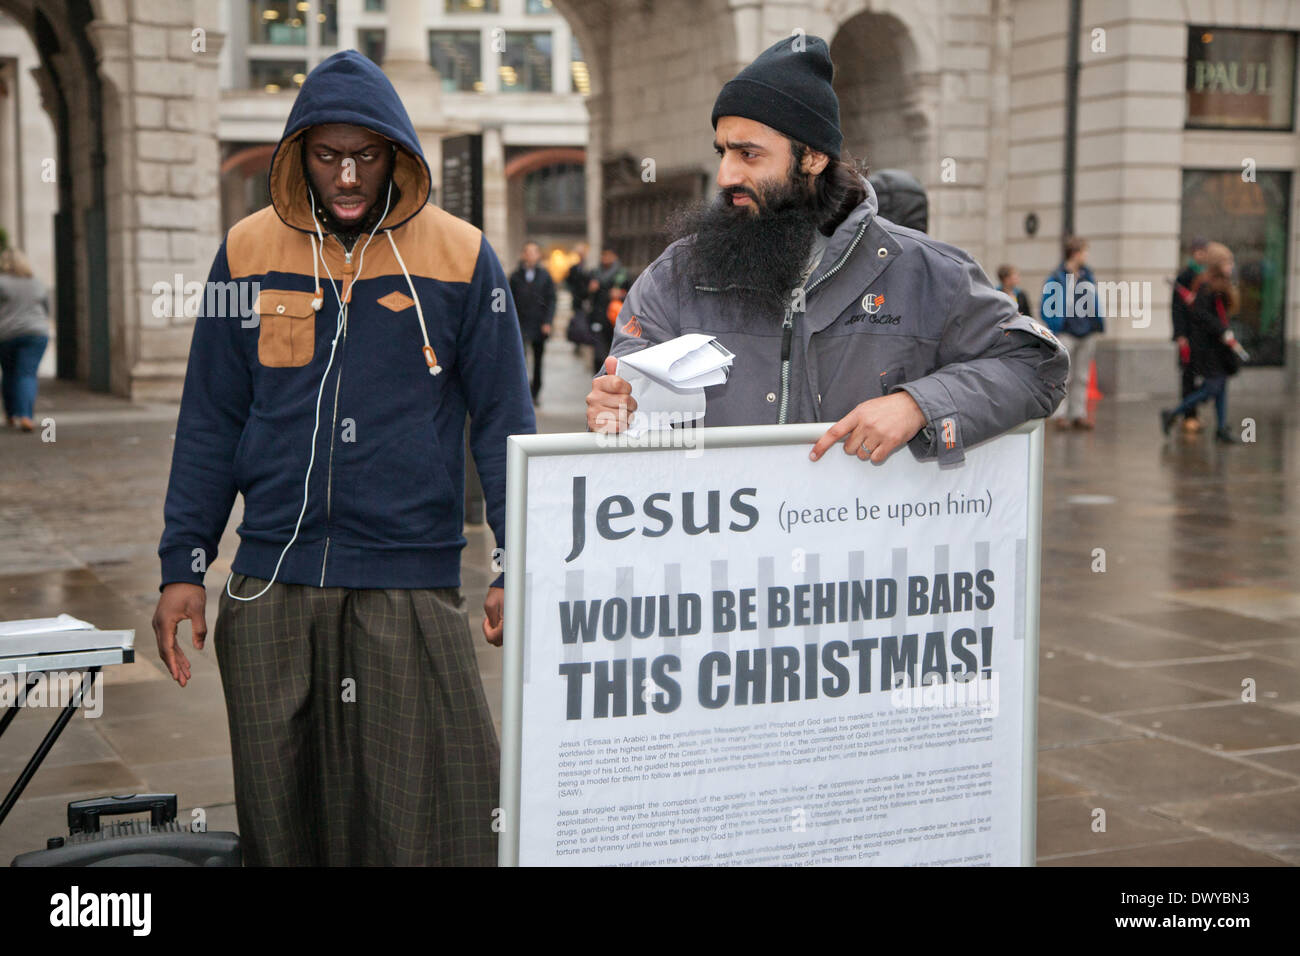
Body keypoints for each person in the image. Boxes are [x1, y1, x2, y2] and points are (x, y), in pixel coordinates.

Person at [152, 50, 535, 866]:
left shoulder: (463, 257)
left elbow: (505, 423)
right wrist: (183, 565)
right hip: (273, 584)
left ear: (398, 151)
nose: (349, 175)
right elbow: (211, 419)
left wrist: (516, 561)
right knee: (284, 819)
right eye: (328, 156)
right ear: (298, 156)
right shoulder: (246, 252)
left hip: (407, 578)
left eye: (366, 154)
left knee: (430, 817)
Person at [586, 35, 1066, 463]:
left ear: (812, 157)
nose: (726, 176)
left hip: (857, 554)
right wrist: (615, 410)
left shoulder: (924, 273)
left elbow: (1036, 367)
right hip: (719, 553)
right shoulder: (676, 276)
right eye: (723, 152)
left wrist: (919, 404)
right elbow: (627, 396)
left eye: (748, 154)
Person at [1160, 241, 1242, 444]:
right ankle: (1174, 412)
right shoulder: (1206, 287)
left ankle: (1221, 427)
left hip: (1218, 346)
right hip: (1208, 347)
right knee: (1212, 387)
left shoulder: (1219, 286)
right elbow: (1201, 315)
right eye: (1227, 262)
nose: (1231, 266)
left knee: (1221, 387)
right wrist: (1222, 331)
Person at [1040, 236, 1103, 430]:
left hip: (1087, 332)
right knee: (1064, 376)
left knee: (1082, 376)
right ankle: (1060, 415)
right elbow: (1046, 306)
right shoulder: (1057, 276)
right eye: (1084, 252)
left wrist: (1097, 323)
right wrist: (1056, 326)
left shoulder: (1087, 275)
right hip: (1066, 332)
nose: (1086, 256)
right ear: (1075, 253)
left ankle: (1078, 414)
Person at [0, 247, 51, 433]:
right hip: (36, 333)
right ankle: (26, 416)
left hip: (7, 334)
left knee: (9, 373)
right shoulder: (36, 283)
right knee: (27, 374)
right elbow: (47, 309)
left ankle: (12, 414)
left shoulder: (1, 283)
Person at [509, 240, 556, 403]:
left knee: (538, 360)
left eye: (533, 252)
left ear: (538, 255)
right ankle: (522, 391)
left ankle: (535, 391)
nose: (530, 255)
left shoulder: (545, 276)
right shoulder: (515, 276)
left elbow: (551, 299)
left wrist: (548, 322)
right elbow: (509, 300)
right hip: (520, 323)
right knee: (520, 359)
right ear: (523, 255)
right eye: (527, 252)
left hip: (539, 324)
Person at [1172, 238, 1209, 433]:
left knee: (1200, 376)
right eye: (1199, 251)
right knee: (1188, 376)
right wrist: (1180, 334)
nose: (1202, 255)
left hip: (1202, 336)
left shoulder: (1207, 276)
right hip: (1188, 334)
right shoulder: (1185, 276)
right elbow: (1177, 308)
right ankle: (1188, 415)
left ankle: (1194, 413)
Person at [587, 246, 629, 374]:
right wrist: (590, 290)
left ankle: (610, 375)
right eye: (603, 255)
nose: (605, 258)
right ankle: (599, 376)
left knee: (613, 351)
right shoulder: (595, 273)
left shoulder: (622, 274)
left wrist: (621, 294)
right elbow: (584, 294)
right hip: (598, 316)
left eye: (608, 255)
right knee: (598, 353)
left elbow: (631, 294)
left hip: (615, 319)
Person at [564, 241, 594, 351]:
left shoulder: (590, 268)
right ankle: (578, 340)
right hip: (578, 299)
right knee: (578, 322)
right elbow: (569, 281)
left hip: (588, 300)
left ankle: (584, 339)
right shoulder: (574, 268)